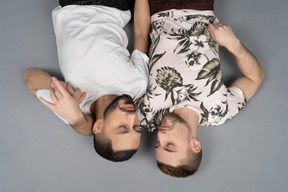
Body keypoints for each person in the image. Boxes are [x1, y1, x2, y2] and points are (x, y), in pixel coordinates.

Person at [137, 0, 264, 177]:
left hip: (158, 8)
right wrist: (233, 44)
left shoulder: (146, 115)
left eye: (157, 144)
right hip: (200, 6)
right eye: (170, 145)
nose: (161, 136)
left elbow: (140, 38)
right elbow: (254, 78)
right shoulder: (218, 112)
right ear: (195, 145)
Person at [24, 0, 150, 162]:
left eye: (123, 127)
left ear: (98, 126)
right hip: (115, 5)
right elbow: (140, 34)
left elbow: (29, 77)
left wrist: (60, 88)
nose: (132, 117)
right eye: (136, 127)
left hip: (73, 4)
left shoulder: (75, 108)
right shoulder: (137, 85)